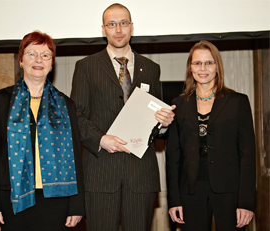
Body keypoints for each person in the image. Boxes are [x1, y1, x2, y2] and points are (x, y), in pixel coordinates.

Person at [70, 3, 175, 231]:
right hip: (100, 173)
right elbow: (76, 116)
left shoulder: (151, 68)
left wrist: (163, 124)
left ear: (131, 27)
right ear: (103, 29)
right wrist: (100, 139)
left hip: (140, 175)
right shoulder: (86, 66)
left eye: (123, 23)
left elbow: (154, 119)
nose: (118, 29)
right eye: (112, 24)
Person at [0, 31, 85, 231]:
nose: (39, 60)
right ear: (21, 60)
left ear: (52, 63)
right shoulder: (1, 100)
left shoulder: (66, 104)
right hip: (9, 201)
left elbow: (75, 158)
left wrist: (77, 205)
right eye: (31, 54)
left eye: (45, 55)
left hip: (56, 202)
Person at [166, 40, 256, 231]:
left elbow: (248, 155)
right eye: (197, 63)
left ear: (218, 66)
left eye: (209, 62)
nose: (203, 68)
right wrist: (173, 200)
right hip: (190, 191)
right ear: (190, 67)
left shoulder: (238, 102)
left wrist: (246, 202)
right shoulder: (178, 104)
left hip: (230, 191)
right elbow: (173, 157)